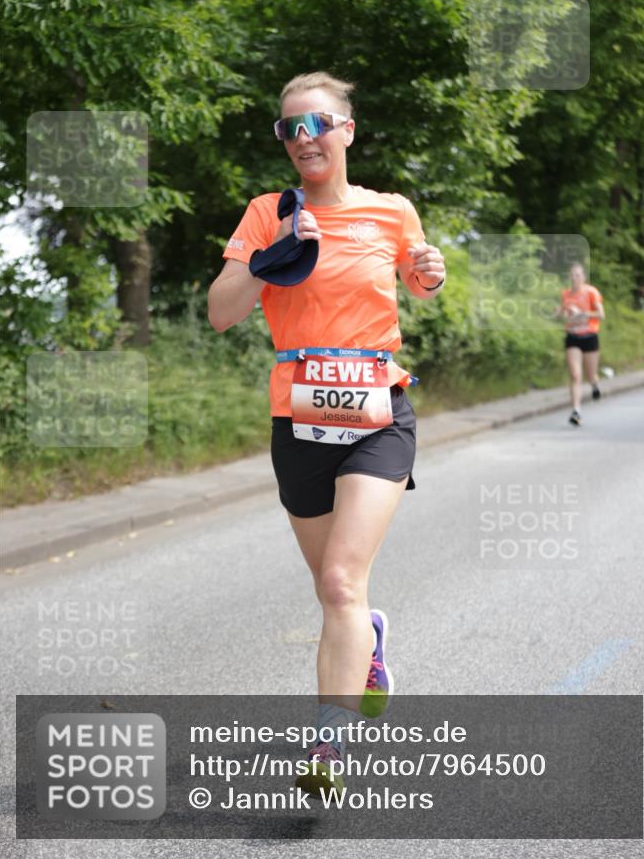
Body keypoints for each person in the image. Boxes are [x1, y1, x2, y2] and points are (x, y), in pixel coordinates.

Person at [207, 71, 445, 795]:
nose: (302, 139)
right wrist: (268, 260)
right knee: (333, 590)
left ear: (345, 129)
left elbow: (417, 279)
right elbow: (221, 312)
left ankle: (328, 749)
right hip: (298, 416)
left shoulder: (390, 210)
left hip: (378, 410)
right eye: (288, 129)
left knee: (342, 578)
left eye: (315, 124)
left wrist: (430, 272)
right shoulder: (266, 212)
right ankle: (368, 641)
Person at [554, 261, 605, 426]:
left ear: (583, 277)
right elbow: (562, 312)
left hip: (590, 336)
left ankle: (595, 384)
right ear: (569, 277)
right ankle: (576, 411)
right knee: (575, 375)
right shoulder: (566, 294)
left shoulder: (591, 292)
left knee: (590, 375)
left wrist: (583, 314)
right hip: (573, 337)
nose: (575, 278)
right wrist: (558, 313)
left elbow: (601, 314)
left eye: (578, 275)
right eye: (572, 275)